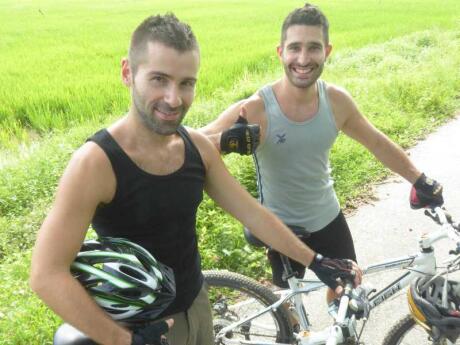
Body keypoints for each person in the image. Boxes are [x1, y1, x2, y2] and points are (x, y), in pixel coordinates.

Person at [29, 13, 360, 345]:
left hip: (198, 308)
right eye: (159, 79)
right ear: (128, 73)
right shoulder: (97, 163)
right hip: (140, 329)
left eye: (186, 83)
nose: (174, 99)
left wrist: (316, 261)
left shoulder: (195, 148)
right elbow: (46, 274)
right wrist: (122, 341)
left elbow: (253, 214)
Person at [200, 3, 444, 302]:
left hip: (328, 218)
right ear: (281, 52)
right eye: (295, 48)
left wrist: (419, 179)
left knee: (348, 295)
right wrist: (224, 141)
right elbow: (195, 143)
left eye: (313, 48)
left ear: (327, 51)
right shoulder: (256, 108)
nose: (303, 59)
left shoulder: (336, 102)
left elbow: (377, 143)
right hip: (280, 228)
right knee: (287, 306)